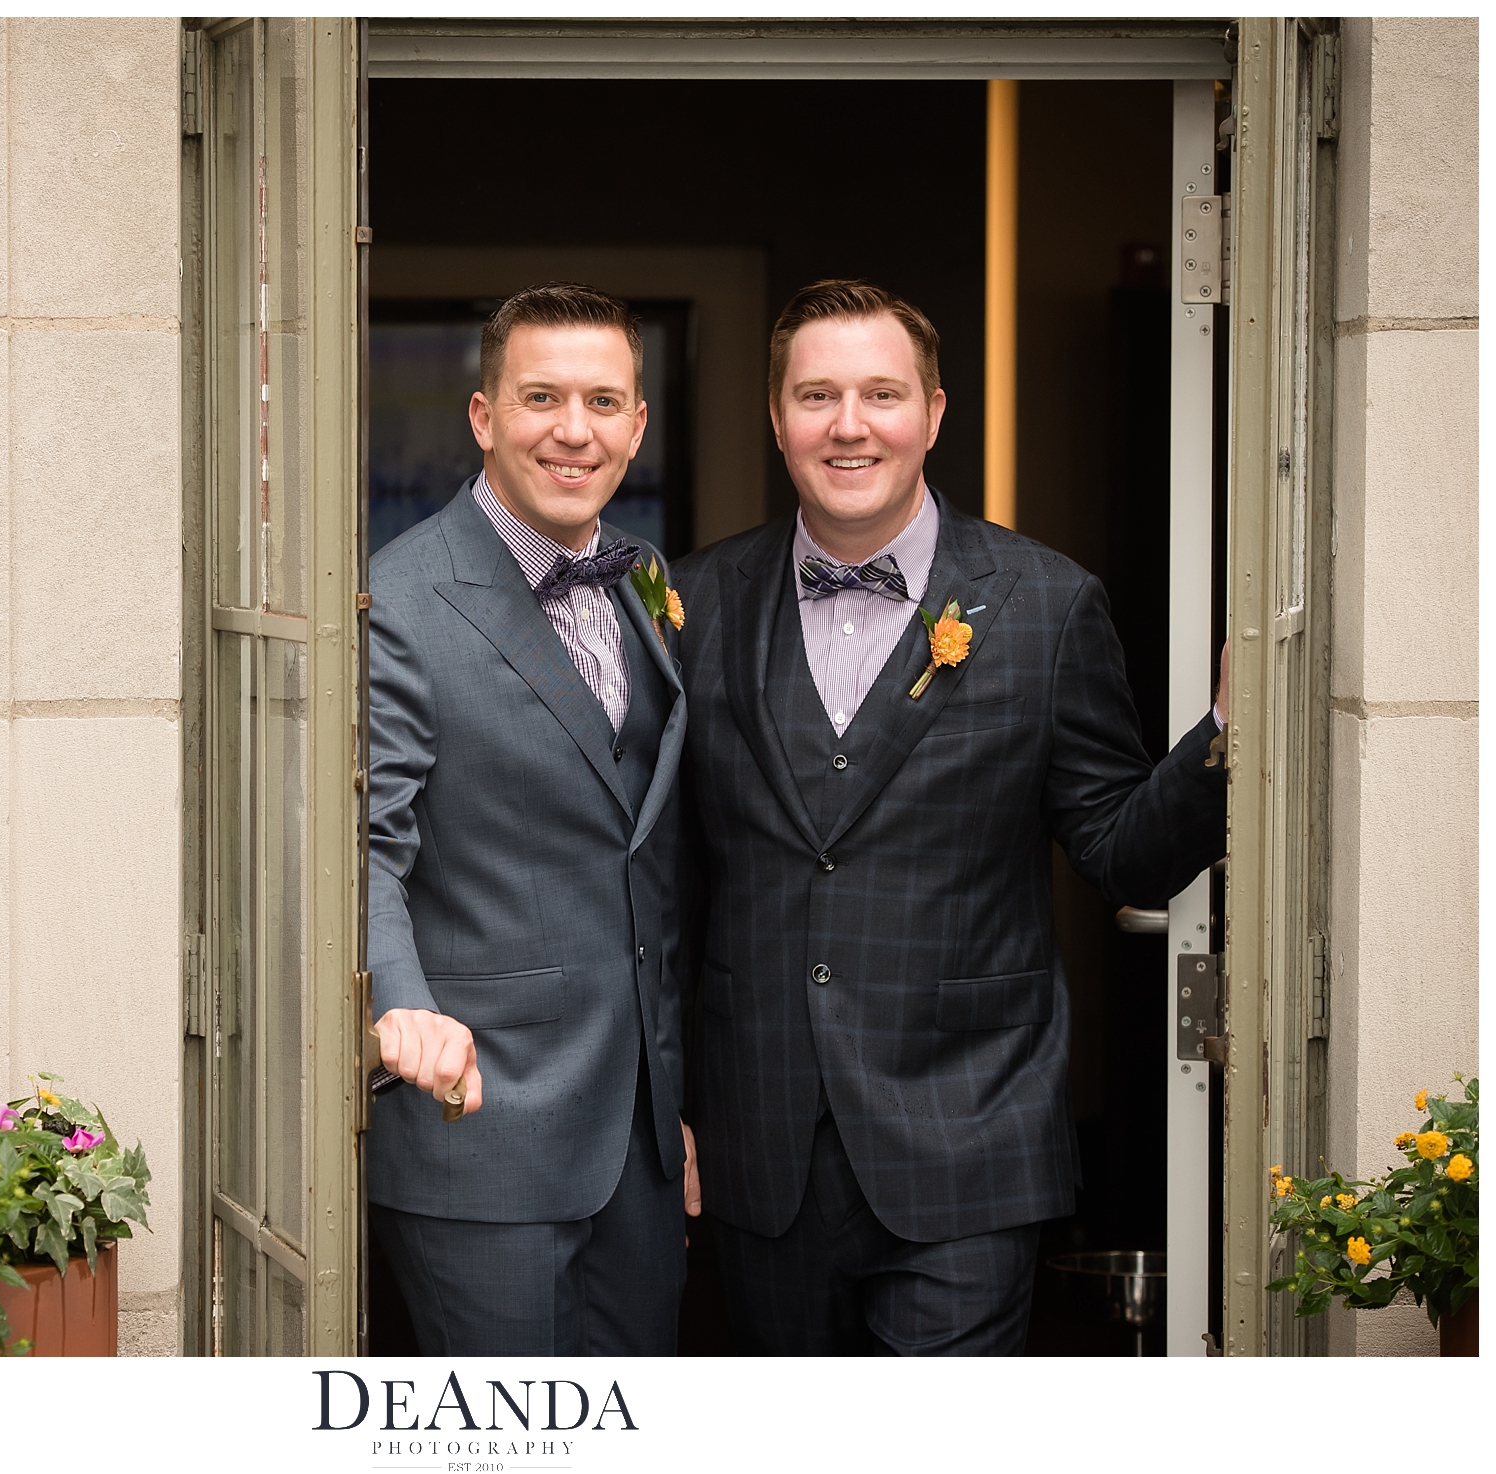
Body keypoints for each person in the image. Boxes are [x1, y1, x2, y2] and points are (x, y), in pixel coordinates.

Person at [669, 280, 1228, 1355]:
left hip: (969, 1138)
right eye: (816, 394)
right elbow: (671, 886)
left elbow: (1125, 852)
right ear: (776, 417)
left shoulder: (1047, 603)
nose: (848, 424)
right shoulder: (697, 603)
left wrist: (1223, 733)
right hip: (756, 1143)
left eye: (881, 393)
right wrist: (672, 1106)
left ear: (932, 413)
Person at [366, 282, 701, 1354]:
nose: (574, 429)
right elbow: (366, 844)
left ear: (638, 425)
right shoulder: (402, 600)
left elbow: (641, 849)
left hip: (640, 1146)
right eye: (542, 397)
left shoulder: (643, 579)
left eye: (604, 402)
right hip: (483, 1127)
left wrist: (672, 1098)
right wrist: (405, 1013)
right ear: (483, 417)